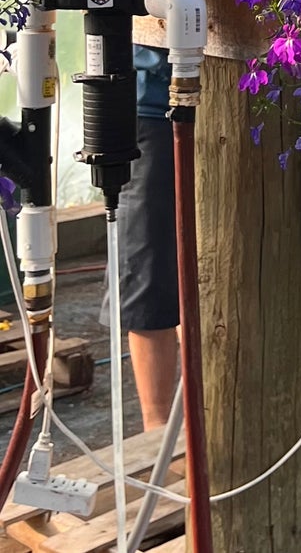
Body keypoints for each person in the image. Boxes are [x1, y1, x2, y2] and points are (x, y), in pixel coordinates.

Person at [116, 45, 179, 430]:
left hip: (247, 97)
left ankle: (214, 414)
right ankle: (158, 436)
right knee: (148, 275)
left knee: (219, 265)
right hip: (152, 107)